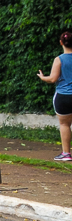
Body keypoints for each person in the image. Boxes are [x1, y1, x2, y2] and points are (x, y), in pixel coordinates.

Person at [37, 30, 72, 161]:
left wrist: (42, 77)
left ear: (61, 42)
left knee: (64, 125)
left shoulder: (59, 59)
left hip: (63, 96)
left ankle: (66, 154)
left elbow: (52, 79)